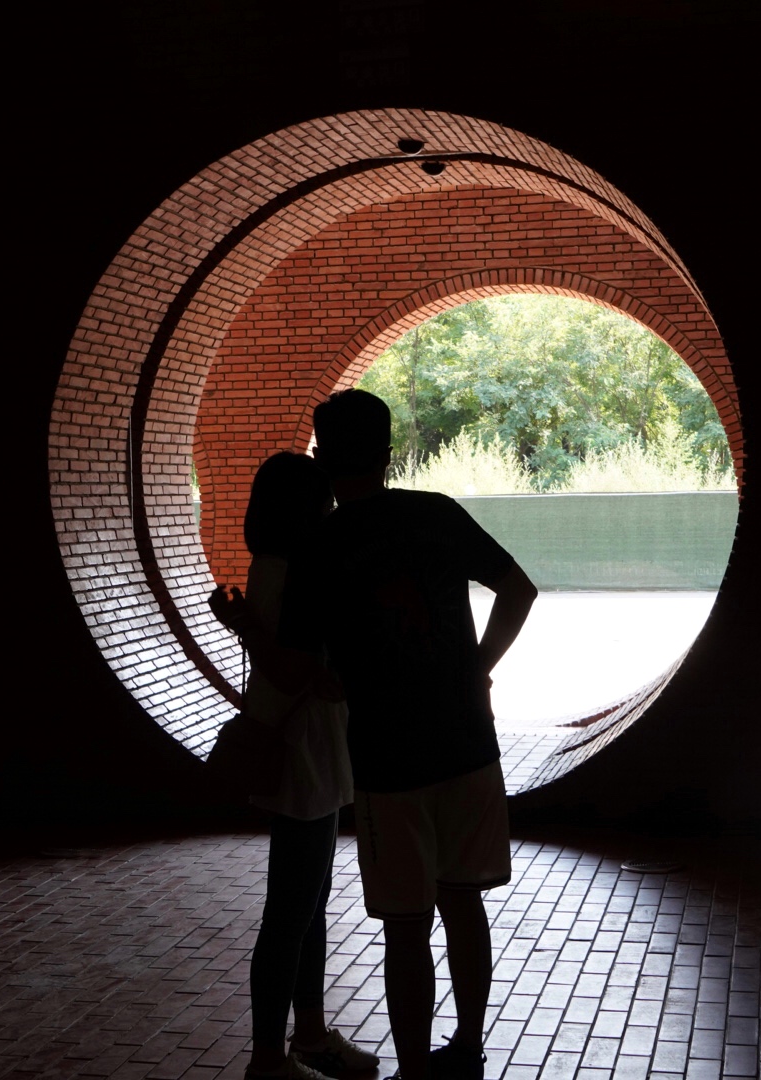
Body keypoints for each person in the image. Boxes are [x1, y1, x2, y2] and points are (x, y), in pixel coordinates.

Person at [216, 390, 537, 1080]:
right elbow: (519, 590)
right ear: (389, 453)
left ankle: (415, 1069)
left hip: (387, 764)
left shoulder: (319, 552)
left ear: (323, 457)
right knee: (464, 904)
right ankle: (470, 1048)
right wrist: (475, 670)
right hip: (469, 749)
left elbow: (298, 668)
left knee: (404, 927)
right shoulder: (438, 513)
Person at [222, 452, 381, 1080]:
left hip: (308, 751)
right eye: (323, 500)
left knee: (305, 905)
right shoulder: (290, 569)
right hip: (304, 754)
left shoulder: (275, 566)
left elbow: (279, 654)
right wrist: (322, 672)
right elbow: (288, 666)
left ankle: (308, 1037)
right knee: (291, 912)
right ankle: (270, 1056)